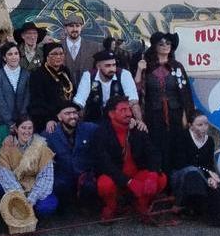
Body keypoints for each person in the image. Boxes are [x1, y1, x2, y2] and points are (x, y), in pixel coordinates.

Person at [91, 96, 166, 223]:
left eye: (129, 109)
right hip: (116, 177)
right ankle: (111, 206)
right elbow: (105, 164)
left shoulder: (138, 129)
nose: (128, 113)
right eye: (123, 110)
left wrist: (152, 174)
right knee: (104, 184)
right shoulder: (101, 132)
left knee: (160, 178)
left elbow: (153, 153)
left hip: (136, 174)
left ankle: (141, 204)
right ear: (111, 114)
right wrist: (129, 182)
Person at [134, 32, 193, 172]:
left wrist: (186, 115)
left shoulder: (177, 67)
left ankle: (177, 179)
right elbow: (137, 88)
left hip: (175, 113)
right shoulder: (147, 67)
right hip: (153, 114)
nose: (165, 46)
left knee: (176, 144)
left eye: (168, 44)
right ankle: (160, 179)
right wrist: (139, 69)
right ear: (155, 47)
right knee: (157, 144)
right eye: (161, 44)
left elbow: (185, 93)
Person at [168, 111, 220, 226]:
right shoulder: (182, 137)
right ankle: (193, 207)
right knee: (193, 173)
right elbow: (181, 163)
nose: (204, 128)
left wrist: (211, 176)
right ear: (191, 125)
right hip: (182, 174)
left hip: (202, 173)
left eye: (206, 124)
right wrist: (207, 173)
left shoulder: (209, 141)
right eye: (200, 125)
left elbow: (209, 163)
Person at [0, 115, 57, 218]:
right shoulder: (6, 148)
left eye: (30, 128)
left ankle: (31, 213)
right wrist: (21, 197)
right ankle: (20, 212)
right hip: (15, 184)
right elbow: (5, 174)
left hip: (35, 185)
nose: (27, 131)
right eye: (23, 128)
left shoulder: (42, 147)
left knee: (47, 207)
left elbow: (46, 176)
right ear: (16, 129)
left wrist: (32, 198)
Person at [43, 101, 98, 211]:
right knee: (59, 186)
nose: (72, 116)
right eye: (67, 113)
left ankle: (85, 205)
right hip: (63, 175)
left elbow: (108, 128)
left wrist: (132, 121)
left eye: (74, 113)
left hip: (84, 174)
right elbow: (33, 143)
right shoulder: (50, 133)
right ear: (59, 117)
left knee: (90, 186)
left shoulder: (89, 128)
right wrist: (12, 138)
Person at [74, 49, 142, 125]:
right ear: (98, 66)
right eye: (108, 66)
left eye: (114, 65)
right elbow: (80, 101)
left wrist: (139, 121)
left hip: (119, 120)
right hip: (94, 121)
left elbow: (133, 101)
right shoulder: (89, 75)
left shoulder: (124, 74)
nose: (112, 69)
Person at [0, 41, 30, 157]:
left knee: (22, 158)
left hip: (22, 123)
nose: (14, 57)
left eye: (16, 53)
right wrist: (11, 123)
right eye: (10, 54)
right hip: (2, 122)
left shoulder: (26, 74)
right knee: (3, 157)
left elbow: (28, 97)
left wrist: (21, 119)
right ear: (4, 57)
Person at [29, 42, 75, 132]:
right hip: (47, 120)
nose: (58, 57)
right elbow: (37, 102)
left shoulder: (65, 71)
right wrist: (49, 119)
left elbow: (73, 90)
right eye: (54, 54)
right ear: (47, 56)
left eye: (61, 53)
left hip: (67, 117)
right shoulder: (38, 74)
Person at [60, 13, 95, 80]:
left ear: (81, 28)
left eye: (77, 26)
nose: (75, 29)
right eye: (71, 26)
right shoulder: (57, 47)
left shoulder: (94, 48)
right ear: (65, 28)